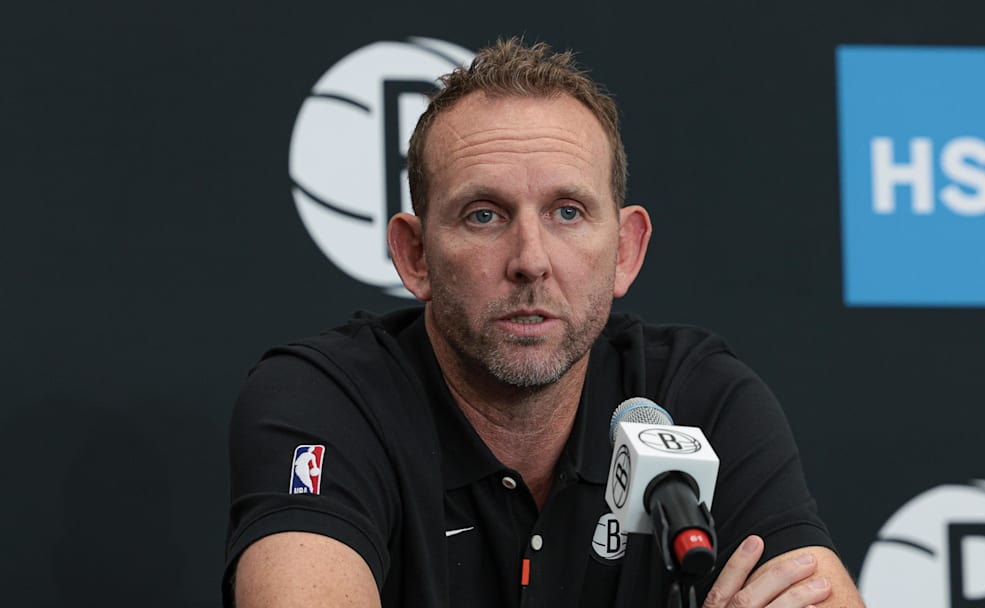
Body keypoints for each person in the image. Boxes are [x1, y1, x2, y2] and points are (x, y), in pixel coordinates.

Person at [224, 38, 865, 607]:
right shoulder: (325, 401)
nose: (530, 260)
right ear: (415, 256)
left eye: (567, 212)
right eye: (484, 214)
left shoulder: (700, 399)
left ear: (626, 250)